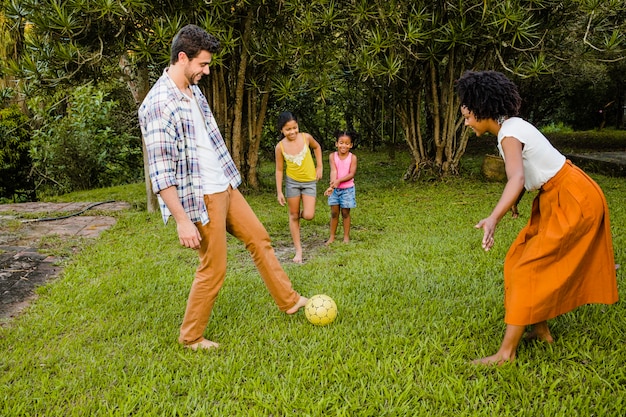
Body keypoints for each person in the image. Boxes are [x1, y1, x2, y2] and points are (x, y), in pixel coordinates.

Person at [138, 24, 307, 351]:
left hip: (224, 186)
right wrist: (183, 220)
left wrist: (228, 182)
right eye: (202, 64)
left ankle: (289, 300)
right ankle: (191, 337)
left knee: (259, 237)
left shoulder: (192, 89)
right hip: (201, 198)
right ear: (182, 57)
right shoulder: (159, 104)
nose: (207, 70)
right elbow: (160, 173)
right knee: (214, 266)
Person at [456, 70, 618, 365]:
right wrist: (516, 201)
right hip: (558, 196)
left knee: (529, 268)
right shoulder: (511, 128)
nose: (466, 122)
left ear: (482, 110)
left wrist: (493, 218)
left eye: (467, 116)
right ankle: (540, 329)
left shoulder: (509, 133)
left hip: (572, 198)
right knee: (519, 259)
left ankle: (506, 354)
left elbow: (516, 177)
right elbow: (526, 172)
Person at [274, 111, 324, 263]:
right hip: (292, 183)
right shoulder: (280, 147)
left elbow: (317, 147)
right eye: (288, 129)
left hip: (309, 182)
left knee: (309, 215)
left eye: (294, 127)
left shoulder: (306, 137)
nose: (292, 132)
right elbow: (279, 169)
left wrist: (319, 166)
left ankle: (297, 215)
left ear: (297, 126)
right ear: (282, 130)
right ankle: (298, 251)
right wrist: (279, 192)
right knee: (293, 215)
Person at [324, 130, 358, 244]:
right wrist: (332, 185)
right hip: (335, 189)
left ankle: (346, 237)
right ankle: (332, 237)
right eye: (341, 142)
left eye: (347, 143)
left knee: (345, 213)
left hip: (347, 190)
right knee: (334, 213)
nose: (344, 145)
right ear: (336, 144)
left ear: (351, 145)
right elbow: (334, 170)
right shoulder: (332, 156)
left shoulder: (352, 158)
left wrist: (339, 181)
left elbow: (351, 174)